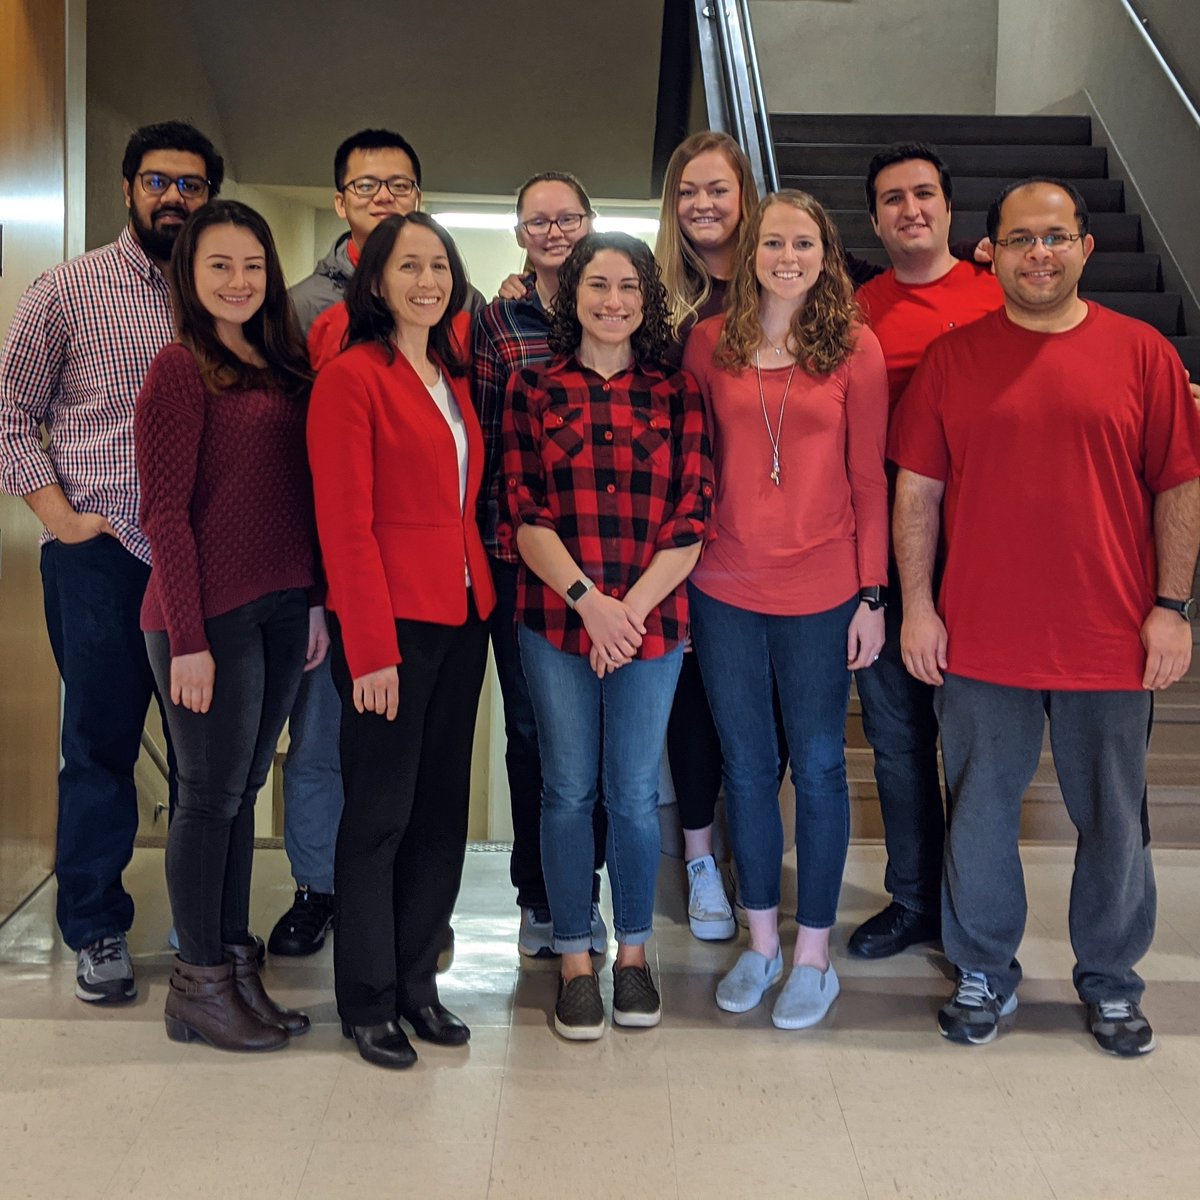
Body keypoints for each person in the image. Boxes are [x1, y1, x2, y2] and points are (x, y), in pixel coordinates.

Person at [890, 177, 1200, 1055]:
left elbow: (1181, 486)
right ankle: (983, 968)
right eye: (1022, 239)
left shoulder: (1143, 354)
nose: (1040, 254)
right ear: (991, 253)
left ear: (1085, 248)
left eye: (1056, 238)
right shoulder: (953, 360)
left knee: (1115, 815)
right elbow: (919, 492)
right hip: (982, 633)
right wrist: (918, 605)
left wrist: (1171, 607)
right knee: (980, 810)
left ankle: (1110, 982)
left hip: (1112, 637)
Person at [0, 120, 221, 1004]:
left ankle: (199, 920)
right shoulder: (69, 289)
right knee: (98, 743)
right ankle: (94, 926)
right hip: (106, 555)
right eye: (159, 181)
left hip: (208, 561)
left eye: (193, 185)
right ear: (128, 188)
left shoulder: (229, 289)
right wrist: (60, 517)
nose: (175, 197)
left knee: (204, 751)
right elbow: (10, 414)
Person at [270, 128, 483, 959]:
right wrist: (337, 607)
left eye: (401, 184)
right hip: (362, 598)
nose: (386, 197)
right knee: (342, 765)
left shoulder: (458, 342)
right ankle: (332, 909)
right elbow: (327, 490)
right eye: (368, 186)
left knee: (428, 794)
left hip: (454, 602)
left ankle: (413, 943)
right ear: (342, 204)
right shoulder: (318, 326)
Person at [683, 191, 889, 1030]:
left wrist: (873, 593)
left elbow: (871, 479)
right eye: (773, 242)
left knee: (821, 767)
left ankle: (813, 955)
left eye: (804, 241)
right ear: (751, 250)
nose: (788, 256)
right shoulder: (708, 344)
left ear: (825, 251)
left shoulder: (855, 347)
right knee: (745, 767)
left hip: (824, 588)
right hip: (724, 584)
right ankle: (760, 943)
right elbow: (690, 462)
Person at [502, 232, 712, 1039]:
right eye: (597, 284)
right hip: (558, 621)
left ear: (648, 299)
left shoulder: (678, 392)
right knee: (566, 790)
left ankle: (632, 955)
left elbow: (693, 518)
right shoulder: (532, 387)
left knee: (629, 791)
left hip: (651, 626)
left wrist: (626, 614)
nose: (613, 300)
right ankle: (575, 960)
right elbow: (522, 513)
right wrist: (592, 603)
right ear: (573, 295)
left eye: (629, 286)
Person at [307, 212, 495, 1069]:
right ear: (375, 281)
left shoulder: (448, 376)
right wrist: (369, 648)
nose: (429, 280)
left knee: (438, 813)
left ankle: (420, 984)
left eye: (440, 265)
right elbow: (344, 525)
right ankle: (368, 1000)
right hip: (390, 627)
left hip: (463, 619)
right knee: (379, 815)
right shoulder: (353, 377)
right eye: (409, 266)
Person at [136, 200, 320, 1051]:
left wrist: (315, 600)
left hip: (284, 606)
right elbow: (164, 514)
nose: (238, 281)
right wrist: (191, 640)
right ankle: (197, 986)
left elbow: (298, 498)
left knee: (244, 794)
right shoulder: (178, 368)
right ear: (190, 274)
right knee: (206, 798)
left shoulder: (285, 365)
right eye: (219, 265)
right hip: (202, 616)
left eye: (252, 265)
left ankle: (234, 971)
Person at [847, 143, 1004, 959]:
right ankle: (914, 901)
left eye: (924, 194)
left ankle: (975, 909)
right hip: (890, 549)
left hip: (988, 552)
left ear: (949, 208)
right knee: (898, 737)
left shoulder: (1000, 289)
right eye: (893, 199)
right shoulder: (856, 307)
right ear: (874, 219)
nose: (911, 209)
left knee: (979, 741)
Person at [473, 171, 611, 959]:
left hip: (614, 562)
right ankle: (543, 895)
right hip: (520, 558)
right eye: (538, 221)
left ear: (589, 222)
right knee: (531, 733)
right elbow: (489, 444)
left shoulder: (624, 298)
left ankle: (588, 887)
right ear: (520, 232)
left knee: (599, 740)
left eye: (567, 218)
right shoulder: (498, 321)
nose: (554, 230)